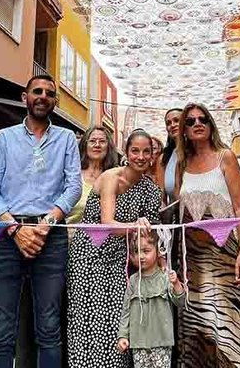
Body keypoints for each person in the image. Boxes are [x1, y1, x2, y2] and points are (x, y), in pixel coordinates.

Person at [0, 74, 82, 368]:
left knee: (49, 325)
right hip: (7, 235)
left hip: (50, 238)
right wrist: (15, 229)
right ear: (24, 97)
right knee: (1, 325)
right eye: (36, 91)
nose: (42, 96)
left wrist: (46, 225)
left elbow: (73, 187)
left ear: (55, 101)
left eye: (49, 93)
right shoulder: (3, 137)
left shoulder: (66, 139)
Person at [67, 129, 162, 368]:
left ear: (152, 155)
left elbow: (150, 234)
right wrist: (136, 226)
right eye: (135, 151)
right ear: (126, 153)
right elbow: (107, 223)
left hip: (118, 260)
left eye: (146, 151)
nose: (140, 156)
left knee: (116, 322)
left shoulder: (151, 189)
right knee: (86, 320)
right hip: (87, 257)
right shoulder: (111, 177)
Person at [176, 103, 240, 367]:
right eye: (190, 121)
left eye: (203, 119)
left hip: (225, 251)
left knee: (226, 319)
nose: (197, 124)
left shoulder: (226, 157)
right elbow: (179, 211)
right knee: (198, 323)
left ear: (211, 125)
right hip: (192, 259)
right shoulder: (182, 163)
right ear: (184, 130)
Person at [117, 230, 187, 368]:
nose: (141, 256)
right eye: (136, 252)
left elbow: (180, 302)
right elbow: (126, 311)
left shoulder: (165, 277)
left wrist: (176, 284)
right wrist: (123, 335)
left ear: (158, 251)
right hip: (139, 343)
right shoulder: (133, 281)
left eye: (146, 251)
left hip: (161, 342)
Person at [69, 126, 120, 225]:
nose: (97, 145)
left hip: (107, 239)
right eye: (92, 141)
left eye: (102, 141)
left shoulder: (116, 177)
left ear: (108, 146)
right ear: (85, 145)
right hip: (68, 237)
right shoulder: (72, 174)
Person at [159, 109, 182, 205]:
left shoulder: (197, 153)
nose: (172, 125)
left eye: (177, 120)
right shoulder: (164, 158)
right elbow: (162, 198)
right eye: (168, 123)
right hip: (175, 216)